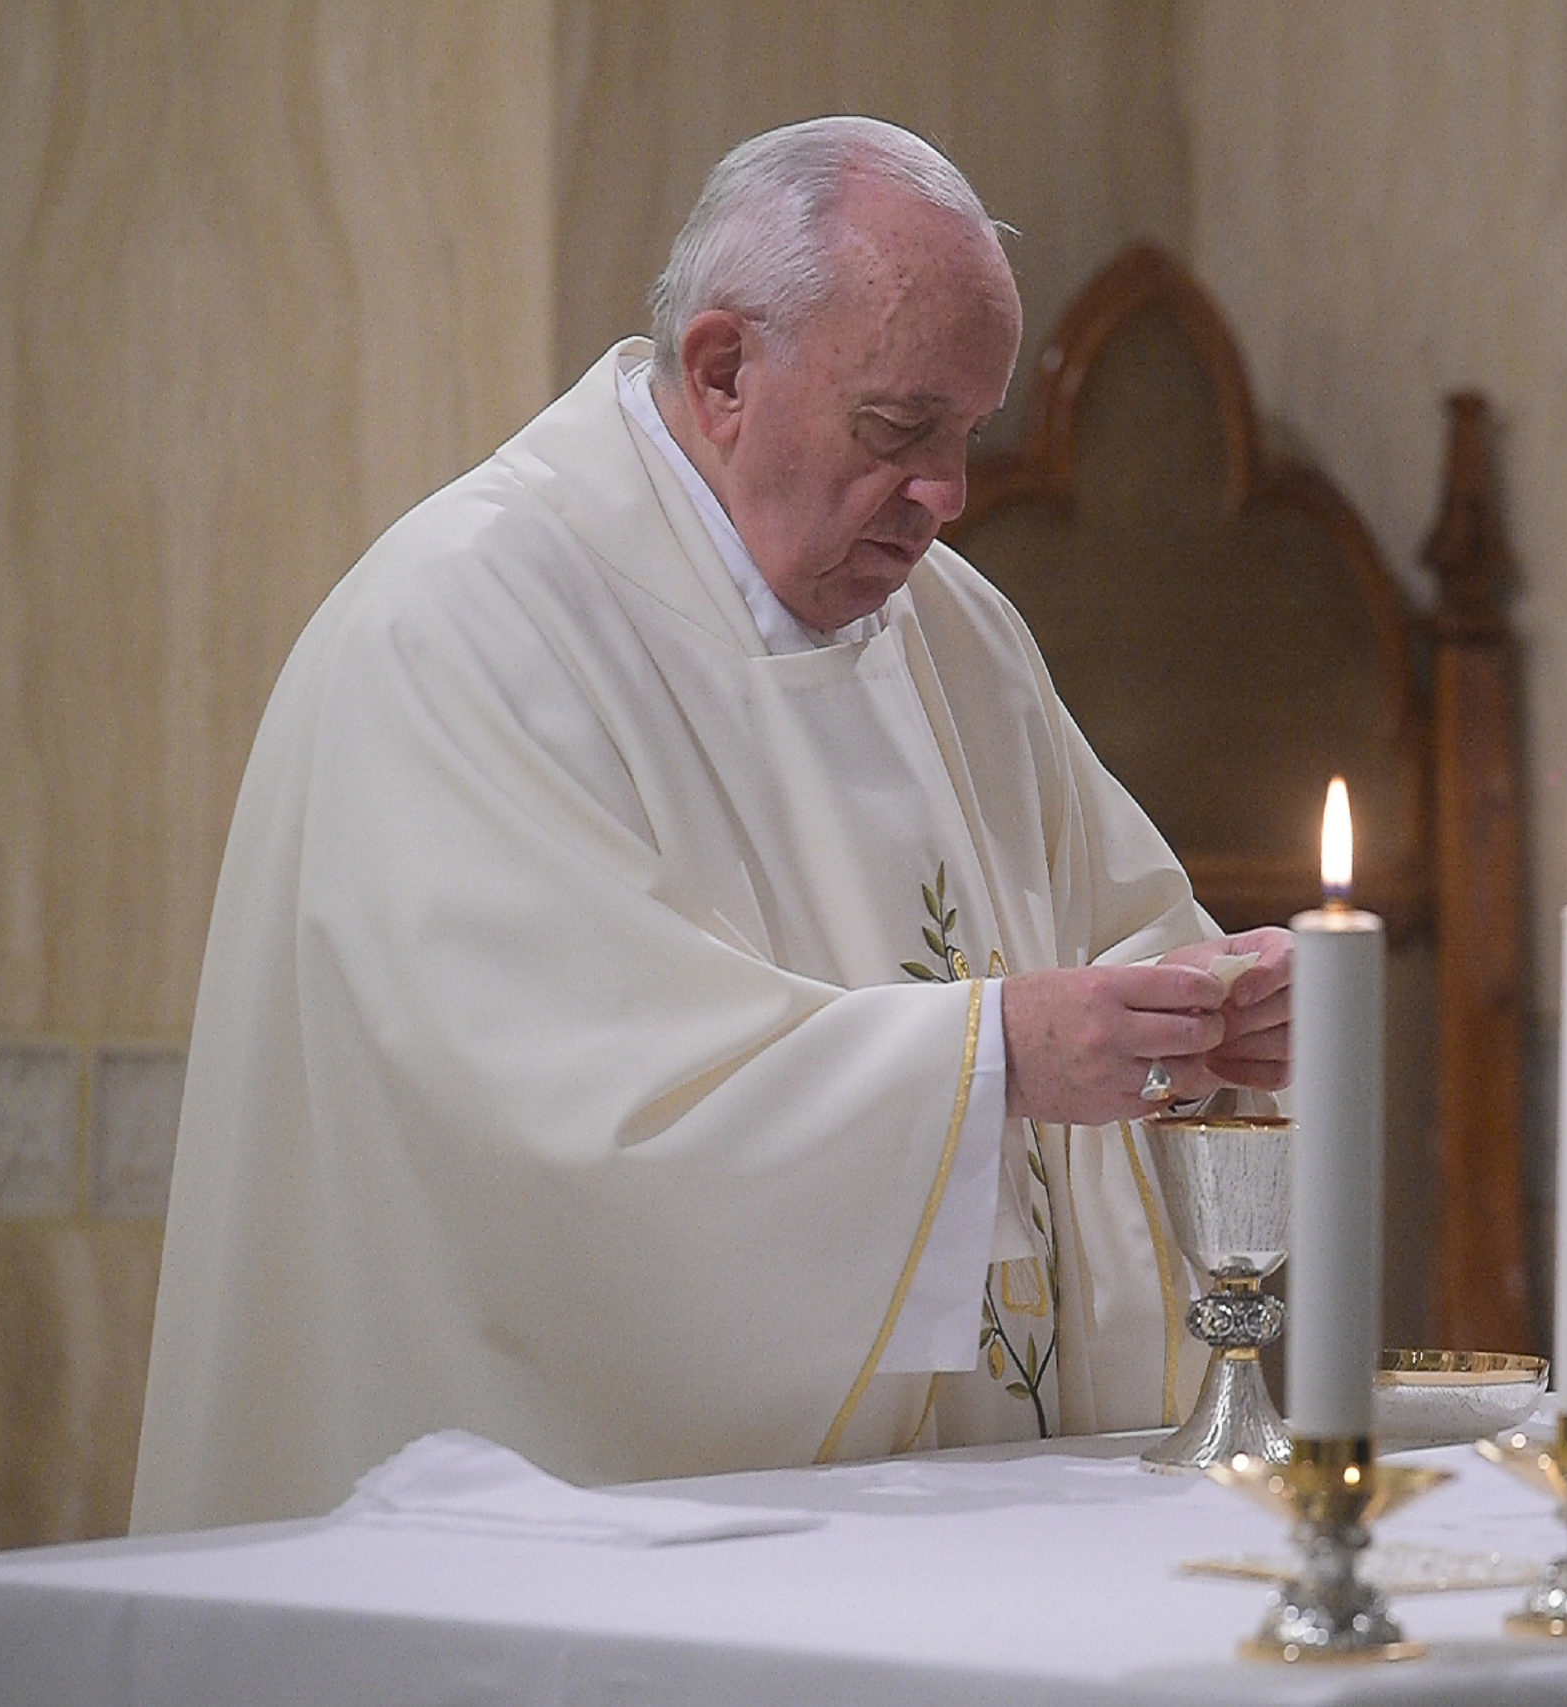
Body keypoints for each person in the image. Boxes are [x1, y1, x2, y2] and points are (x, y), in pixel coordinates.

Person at [131, 116, 1291, 1533]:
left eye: (967, 434)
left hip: (951, 1536)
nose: (948, 496)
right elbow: (569, 1133)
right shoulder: (462, 629)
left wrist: (1202, 1018)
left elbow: (1108, 934)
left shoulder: (956, 631)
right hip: (554, 1558)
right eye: (899, 429)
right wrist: (992, 1065)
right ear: (724, 370)